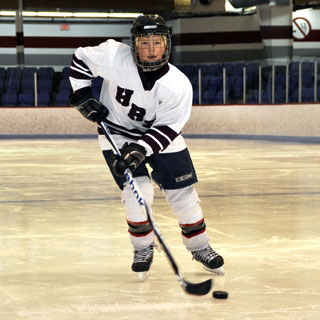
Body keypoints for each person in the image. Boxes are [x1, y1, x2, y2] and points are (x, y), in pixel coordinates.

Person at [69, 14, 224, 280]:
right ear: (134, 44)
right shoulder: (114, 56)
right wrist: (82, 94)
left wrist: (141, 149)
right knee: (136, 192)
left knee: (183, 193)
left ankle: (199, 247)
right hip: (116, 134)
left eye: (157, 43)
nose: (151, 49)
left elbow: (168, 128)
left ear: (167, 45)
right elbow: (81, 59)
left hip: (160, 138)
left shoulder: (178, 85)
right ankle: (142, 248)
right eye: (144, 43)